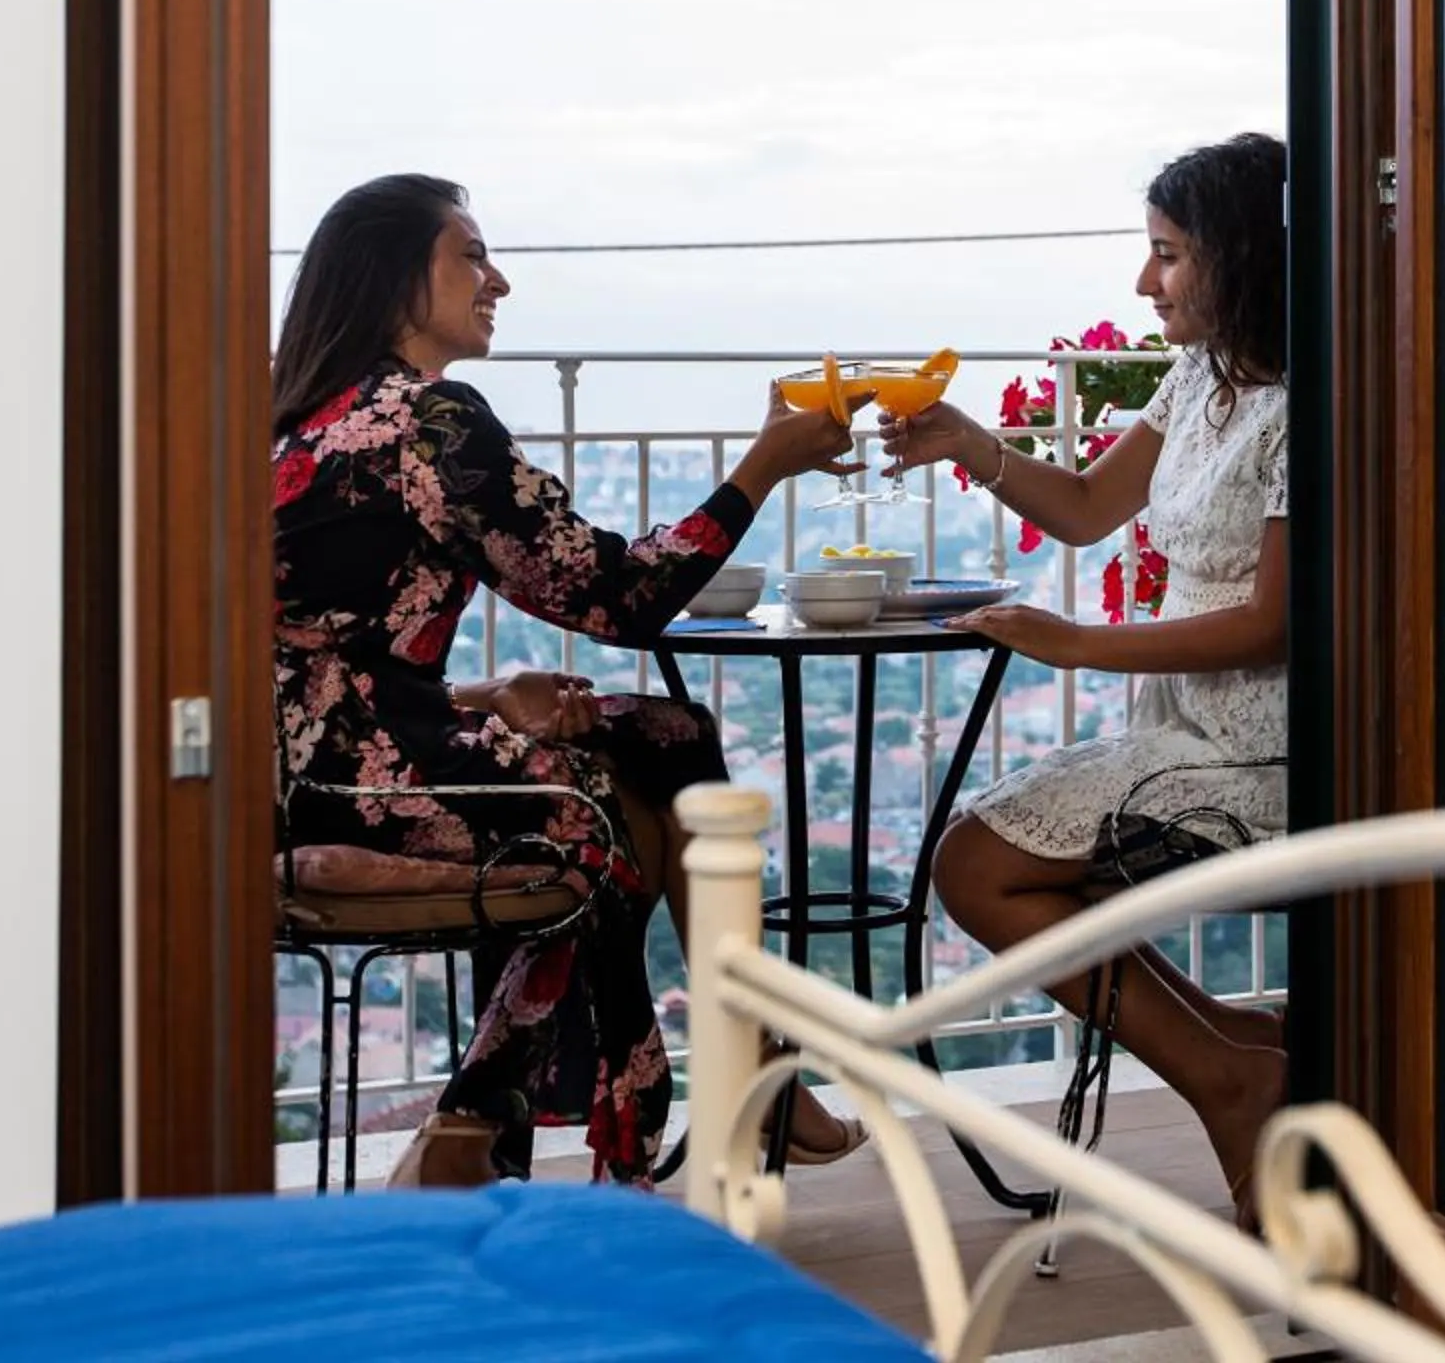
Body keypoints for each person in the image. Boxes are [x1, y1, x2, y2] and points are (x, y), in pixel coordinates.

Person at [271, 172, 867, 1187]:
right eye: (470, 252)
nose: (497, 277)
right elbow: (618, 598)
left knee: (666, 732)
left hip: (297, 763)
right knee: (588, 819)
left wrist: (481, 695)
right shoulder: (430, 424)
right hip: (353, 784)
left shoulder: (306, 421)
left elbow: (326, 654)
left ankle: (741, 1050)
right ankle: (483, 1126)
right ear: (393, 279)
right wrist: (765, 462)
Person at [878, 133, 1290, 1218]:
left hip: (1270, 743)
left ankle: (1230, 1068)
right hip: (1188, 728)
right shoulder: (1204, 376)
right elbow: (1086, 507)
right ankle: (1238, 1050)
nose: (1144, 282)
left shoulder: (1302, 406)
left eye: (1167, 254)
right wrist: (972, 441)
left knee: (979, 867)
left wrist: (1077, 642)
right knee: (977, 861)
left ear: (1240, 257)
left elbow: (1270, 624)